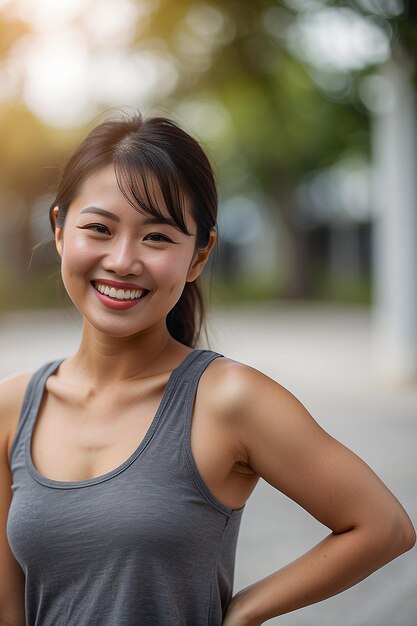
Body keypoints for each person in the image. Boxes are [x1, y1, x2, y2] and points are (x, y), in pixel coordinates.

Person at [0, 112, 414, 626]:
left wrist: (242, 613)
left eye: (157, 237)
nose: (123, 260)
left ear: (199, 257)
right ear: (60, 230)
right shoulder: (13, 407)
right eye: (99, 229)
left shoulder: (228, 399)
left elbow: (384, 526)